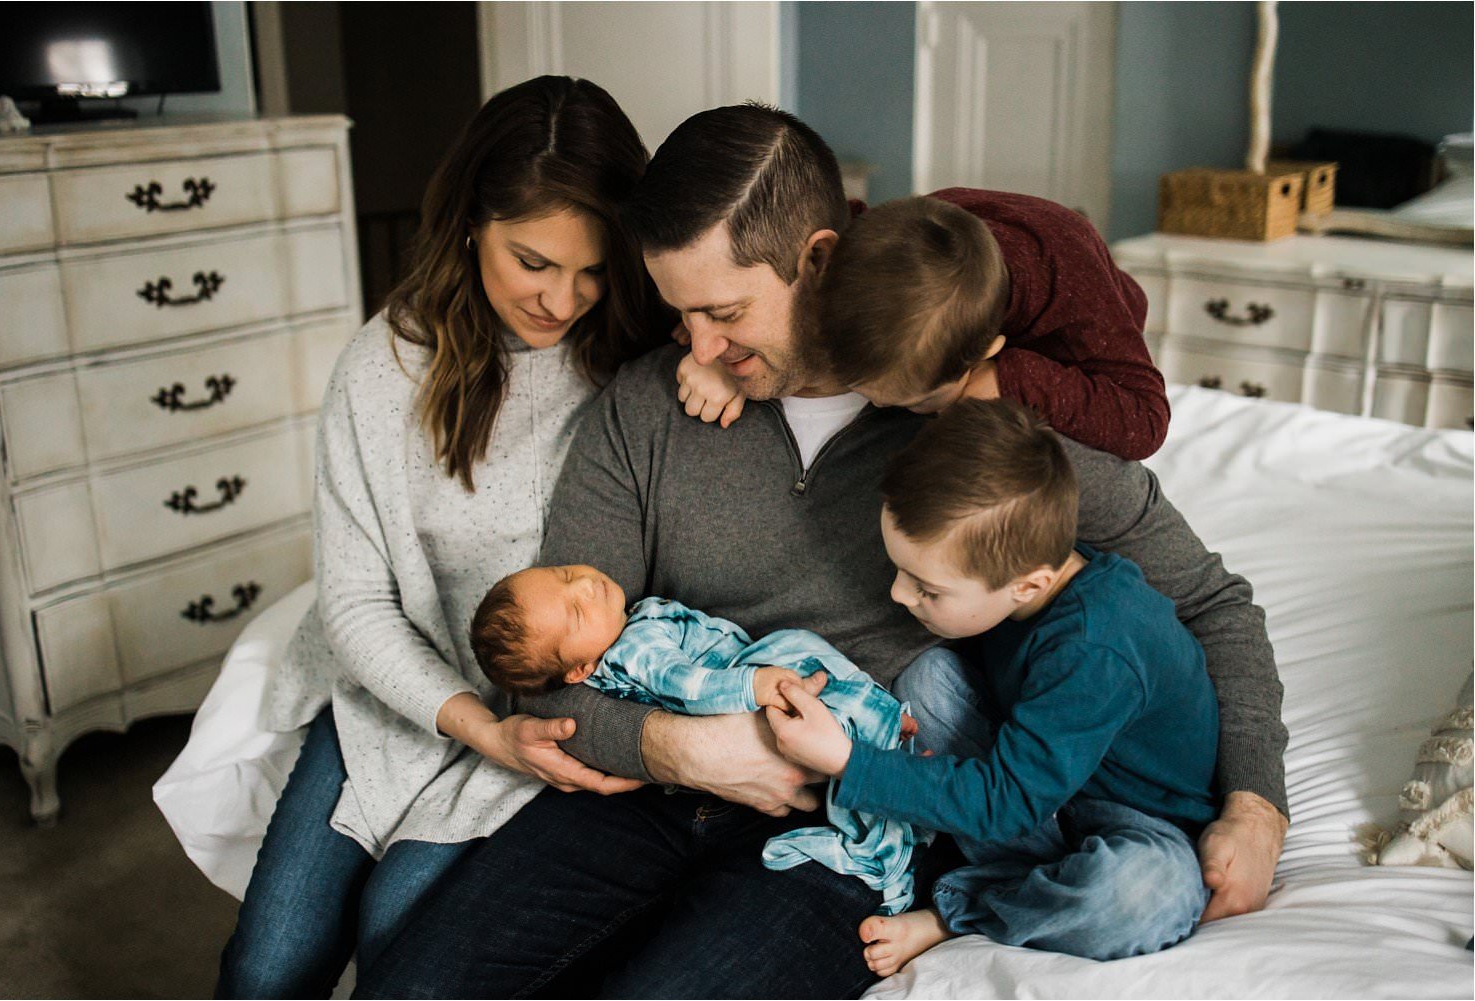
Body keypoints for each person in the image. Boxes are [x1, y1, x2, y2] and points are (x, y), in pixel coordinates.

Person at [355, 103, 1287, 1000]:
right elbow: (548, 671)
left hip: (851, 828)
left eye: (723, 312)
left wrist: (1255, 804)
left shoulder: (969, 425)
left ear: (820, 257)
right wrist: (683, 748)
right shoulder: (647, 407)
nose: (699, 345)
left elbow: (1211, 602)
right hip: (643, 791)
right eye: (679, 315)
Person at [214, 76, 668, 998]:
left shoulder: (638, 365)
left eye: (592, 268)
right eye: (532, 261)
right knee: (266, 968)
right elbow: (354, 602)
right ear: (471, 222)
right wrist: (467, 725)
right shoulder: (385, 366)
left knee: (399, 932)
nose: (563, 298)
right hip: (397, 698)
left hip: (544, 715)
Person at [767, 398, 1217, 976]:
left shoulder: (1095, 646)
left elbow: (1010, 799)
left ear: (1028, 586)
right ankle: (1016, 879)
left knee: (1140, 897)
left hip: (1133, 821)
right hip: (1038, 790)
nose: (900, 597)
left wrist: (849, 763)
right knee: (926, 680)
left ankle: (961, 909)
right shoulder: (1016, 583)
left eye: (927, 589)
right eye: (899, 571)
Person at [469, 563, 923, 912]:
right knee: (799, 659)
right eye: (575, 611)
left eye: (563, 574)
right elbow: (687, 686)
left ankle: (882, 741)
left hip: (750, 706)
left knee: (821, 702)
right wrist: (755, 684)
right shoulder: (635, 649)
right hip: (743, 691)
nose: (585, 586)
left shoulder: (623, 634)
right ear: (579, 671)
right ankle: (884, 748)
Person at [675, 190, 1168, 461]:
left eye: (916, 403)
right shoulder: (855, 240)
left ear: (986, 352)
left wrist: (1005, 381)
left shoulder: (1071, 287)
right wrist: (724, 347)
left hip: (1095, 297)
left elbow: (1146, 422)